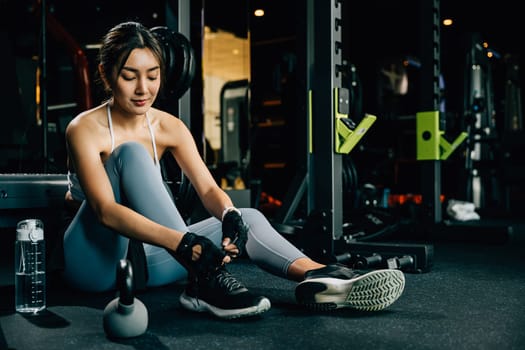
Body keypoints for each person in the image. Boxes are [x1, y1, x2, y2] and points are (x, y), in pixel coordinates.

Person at [61, 21, 405, 320]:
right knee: (132, 155)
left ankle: (320, 276)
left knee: (248, 215)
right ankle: (204, 279)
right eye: (129, 76)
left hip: (150, 260)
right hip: (95, 264)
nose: (143, 89)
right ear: (107, 75)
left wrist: (227, 215)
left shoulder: (168, 127)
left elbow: (209, 191)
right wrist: (187, 245)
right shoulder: (84, 129)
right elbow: (105, 212)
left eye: (152, 76)